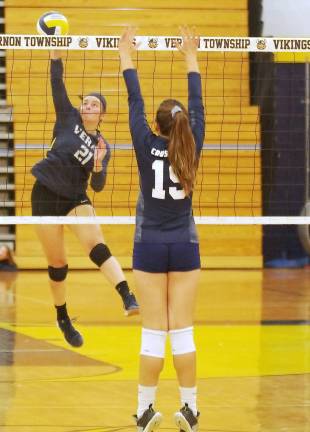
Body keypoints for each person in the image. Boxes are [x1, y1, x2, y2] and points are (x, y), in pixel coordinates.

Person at [119, 26, 204, 432]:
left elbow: (133, 99)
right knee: (182, 331)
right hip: (184, 247)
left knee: (154, 332)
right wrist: (190, 56)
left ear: (156, 124)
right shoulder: (193, 142)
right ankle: (189, 410)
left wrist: (126, 53)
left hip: (149, 246)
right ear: (183, 123)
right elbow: (198, 105)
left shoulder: (143, 141)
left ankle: (145, 411)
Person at [31, 50, 139, 348]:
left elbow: (99, 186)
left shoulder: (102, 144)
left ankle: (126, 295)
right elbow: (56, 83)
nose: (86, 105)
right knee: (58, 264)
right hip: (45, 193)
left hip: (75, 197)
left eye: (93, 104)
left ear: (100, 114)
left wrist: (100, 164)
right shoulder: (67, 117)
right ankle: (62, 317)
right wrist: (55, 56)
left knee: (96, 244)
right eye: (85, 102)